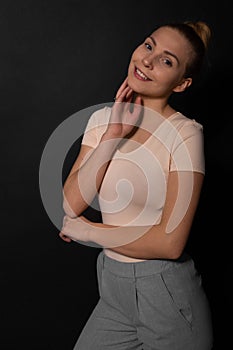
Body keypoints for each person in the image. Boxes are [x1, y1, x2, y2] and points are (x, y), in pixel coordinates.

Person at [59, 21, 213, 350]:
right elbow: (71, 205)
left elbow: (170, 243)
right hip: (113, 291)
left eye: (167, 60)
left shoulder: (185, 134)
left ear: (183, 84)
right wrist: (113, 136)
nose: (147, 60)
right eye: (148, 46)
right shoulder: (102, 121)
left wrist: (88, 232)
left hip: (166, 296)